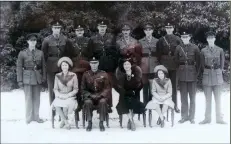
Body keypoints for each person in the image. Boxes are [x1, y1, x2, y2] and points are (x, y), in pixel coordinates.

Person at [87, 19, 119, 105]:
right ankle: (100, 105)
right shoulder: (93, 39)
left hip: (109, 66)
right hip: (98, 65)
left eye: (104, 27)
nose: (102, 28)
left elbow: (115, 52)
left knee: (109, 85)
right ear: (98, 27)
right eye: (100, 26)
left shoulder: (111, 37)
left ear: (106, 27)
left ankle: (109, 105)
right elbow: (90, 54)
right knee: (99, 85)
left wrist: (114, 63)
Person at [42, 19, 73, 105]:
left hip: (62, 67)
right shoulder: (46, 40)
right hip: (51, 67)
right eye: (55, 27)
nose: (57, 29)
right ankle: (53, 109)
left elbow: (68, 53)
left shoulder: (65, 39)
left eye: (58, 28)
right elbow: (43, 56)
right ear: (52, 28)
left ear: (60, 29)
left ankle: (62, 108)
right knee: (52, 88)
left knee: (63, 87)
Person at [17, 33, 46, 124]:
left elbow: (43, 67)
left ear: (36, 42)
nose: (33, 42)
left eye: (34, 40)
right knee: (28, 98)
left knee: (37, 98)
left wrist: (43, 78)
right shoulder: (22, 53)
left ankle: (36, 117)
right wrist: (20, 80)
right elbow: (19, 67)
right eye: (31, 40)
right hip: (27, 78)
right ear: (28, 42)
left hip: (37, 78)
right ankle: (29, 118)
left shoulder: (40, 53)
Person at [199, 31, 227, 125]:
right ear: (207, 39)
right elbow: (202, 65)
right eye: (209, 38)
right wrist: (207, 71)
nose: (210, 39)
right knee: (207, 99)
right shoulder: (203, 51)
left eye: (212, 38)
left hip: (217, 76)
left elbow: (222, 64)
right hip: (207, 76)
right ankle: (207, 118)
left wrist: (218, 71)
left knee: (218, 99)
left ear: (214, 39)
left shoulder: (220, 50)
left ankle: (219, 118)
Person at [156, 23, 183, 113]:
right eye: (167, 28)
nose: (169, 29)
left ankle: (174, 105)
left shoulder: (178, 39)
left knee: (174, 86)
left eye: (170, 27)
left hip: (174, 65)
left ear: (173, 28)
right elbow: (158, 53)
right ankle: (164, 105)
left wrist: (179, 63)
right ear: (165, 29)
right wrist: (160, 65)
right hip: (164, 66)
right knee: (163, 86)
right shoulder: (161, 40)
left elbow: (181, 53)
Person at [174, 32, 200, 124]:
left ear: (189, 37)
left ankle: (192, 117)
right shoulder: (178, 48)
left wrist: (196, 74)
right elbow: (176, 61)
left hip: (192, 75)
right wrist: (179, 72)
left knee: (192, 97)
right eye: (183, 37)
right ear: (181, 38)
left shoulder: (195, 47)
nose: (185, 38)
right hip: (182, 75)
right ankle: (184, 116)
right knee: (183, 97)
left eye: (186, 36)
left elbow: (198, 62)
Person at [81, 57, 111, 132]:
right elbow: (83, 89)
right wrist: (90, 95)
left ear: (98, 64)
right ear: (90, 64)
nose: (94, 65)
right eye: (92, 63)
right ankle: (89, 122)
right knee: (87, 102)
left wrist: (100, 95)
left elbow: (107, 88)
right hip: (90, 96)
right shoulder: (86, 74)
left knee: (103, 102)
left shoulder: (103, 74)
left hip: (100, 96)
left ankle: (101, 122)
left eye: (95, 63)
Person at [115, 58, 145, 131]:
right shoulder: (122, 76)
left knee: (137, 105)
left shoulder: (136, 74)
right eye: (125, 64)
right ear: (123, 66)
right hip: (124, 96)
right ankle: (132, 122)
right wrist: (127, 92)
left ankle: (129, 120)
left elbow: (140, 85)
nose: (126, 66)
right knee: (124, 104)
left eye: (128, 64)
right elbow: (120, 88)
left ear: (131, 65)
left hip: (134, 95)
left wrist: (135, 91)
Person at [51, 57, 78, 130]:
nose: (64, 67)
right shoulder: (57, 76)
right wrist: (59, 95)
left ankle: (63, 120)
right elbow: (55, 89)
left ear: (68, 66)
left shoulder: (73, 75)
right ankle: (66, 122)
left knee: (67, 105)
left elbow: (76, 89)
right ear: (61, 67)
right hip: (60, 95)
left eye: (66, 65)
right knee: (56, 104)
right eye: (63, 65)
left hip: (70, 96)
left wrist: (68, 95)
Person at [71, 20, 91, 106]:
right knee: (77, 86)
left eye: (81, 30)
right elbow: (69, 55)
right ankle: (78, 103)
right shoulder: (71, 41)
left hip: (86, 67)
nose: (79, 32)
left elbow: (91, 54)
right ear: (75, 31)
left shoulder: (88, 40)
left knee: (86, 85)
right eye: (77, 30)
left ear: (83, 31)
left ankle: (87, 104)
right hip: (75, 68)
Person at [139, 22, 159, 106]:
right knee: (145, 86)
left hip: (154, 66)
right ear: (144, 31)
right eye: (146, 30)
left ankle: (151, 103)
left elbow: (159, 54)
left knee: (152, 86)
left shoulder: (157, 41)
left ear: (152, 31)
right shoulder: (140, 41)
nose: (148, 31)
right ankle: (145, 103)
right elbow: (138, 55)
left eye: (149, 30)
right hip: (144, 66)